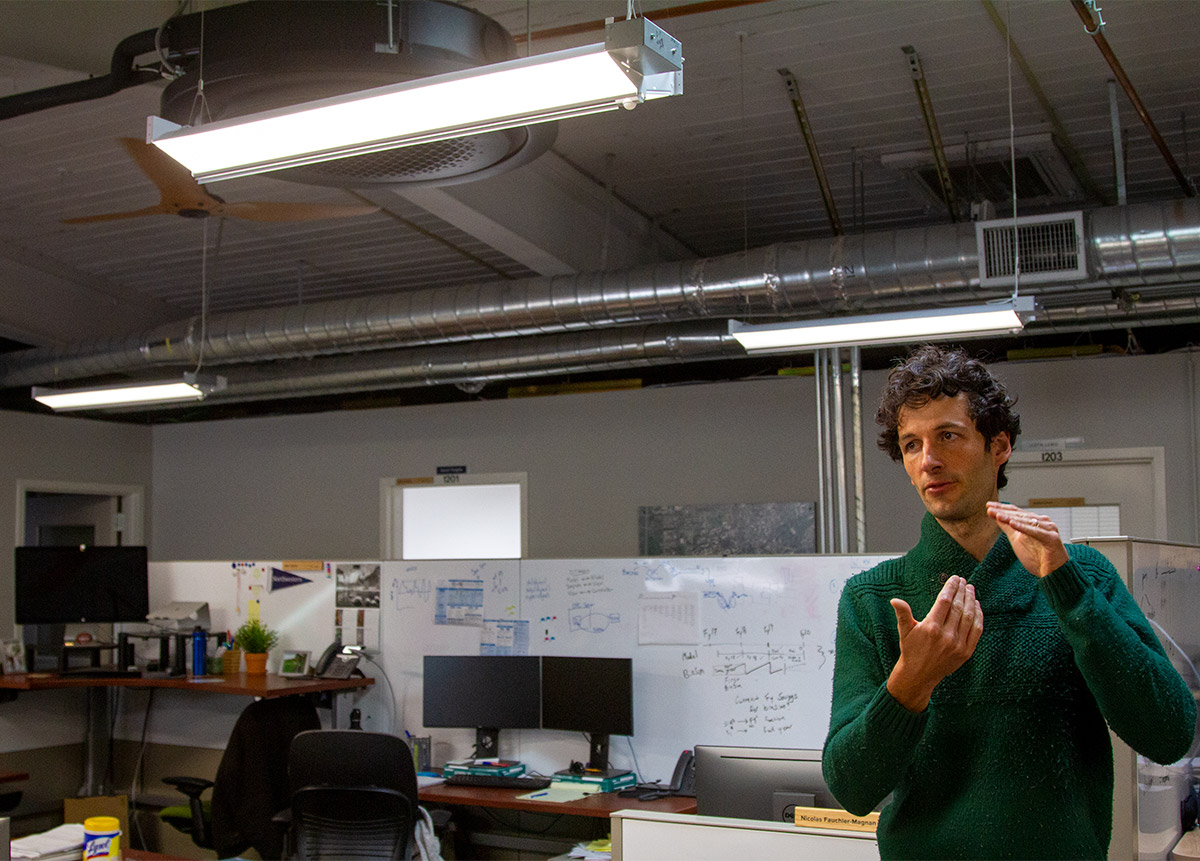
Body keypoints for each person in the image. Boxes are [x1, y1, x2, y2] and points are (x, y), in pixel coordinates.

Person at [822, 344, 1196, 860]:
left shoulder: (1083, 575)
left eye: (947, 436)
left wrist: (1068, 591)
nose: (929, 460)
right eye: (912, 445)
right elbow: (850, 788)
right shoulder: (873, 599)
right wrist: (911, 684)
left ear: (998, 447)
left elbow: (1170, 733)